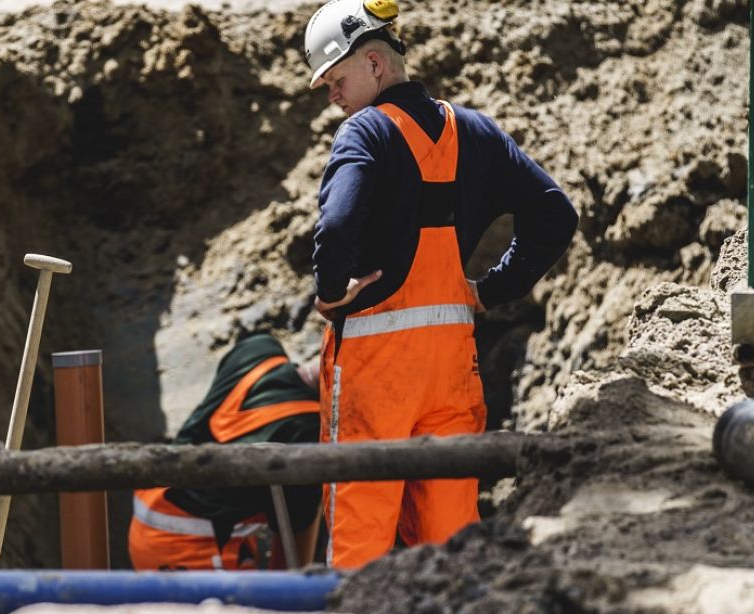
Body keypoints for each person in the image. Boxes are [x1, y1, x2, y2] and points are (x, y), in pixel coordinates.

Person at [301, 0, 577, 569]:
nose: (331, 94)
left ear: (375, 65)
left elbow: (336, 225)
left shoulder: (365, 132)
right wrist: (492, 288)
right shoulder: (473, 131)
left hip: (375, 373)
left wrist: (331, 292)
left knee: (359, 545)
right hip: (452, 367)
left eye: (335, 78)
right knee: (451, 546)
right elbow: (555, 213)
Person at [130, 333, 324, 571]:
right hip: (190, 548)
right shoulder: (306, 434)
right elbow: (291, 561)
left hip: (151, 506)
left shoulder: (259, 349)